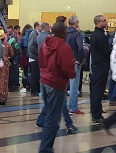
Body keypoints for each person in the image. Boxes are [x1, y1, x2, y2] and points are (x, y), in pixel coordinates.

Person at [38, 22, 76, 153]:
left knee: (49, 115)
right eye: (65, 31)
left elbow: (41, 61)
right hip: (56, 83)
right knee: (53, 120)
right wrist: (72, 73)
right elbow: (68, 68)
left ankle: (45, 147)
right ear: (62, 33)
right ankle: (45, 149)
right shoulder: (63, 47)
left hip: (44, 80)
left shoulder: (45, 43)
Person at [89, 15, 111, 124]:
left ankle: (96, 112)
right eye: (104, 21)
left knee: (97, 90)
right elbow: (106, 51)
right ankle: (96, 115)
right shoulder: (100, 36)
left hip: (97, 65)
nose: (106, 22)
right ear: (98, 23)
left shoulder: (95, 34)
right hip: (101, 66)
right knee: (97, 91)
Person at [66, 15, 85, 115]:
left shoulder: (64, 33)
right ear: (76, 23)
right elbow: (81, 48)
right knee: (74, 86)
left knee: (63, 85)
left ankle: (63, 108)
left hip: (65, 61)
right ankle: (73, 107)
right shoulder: (77, 34)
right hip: (74, 61)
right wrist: (80, 60)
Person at [28, 21, 42, 97]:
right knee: (35, 75)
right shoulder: (33, 34)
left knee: (37, 75)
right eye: (41, 25)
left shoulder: (38, 34)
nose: (42, 27)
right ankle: (34, 91)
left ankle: (37, 89)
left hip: (36, 58)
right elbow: (31, 46)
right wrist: (39, 52)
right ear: (37, 26)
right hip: (34, 58)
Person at [19, 24, 33, 93]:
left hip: (24, 56)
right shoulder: (32, 36)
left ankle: (24, 86)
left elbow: (19, 46)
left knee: (25, 72)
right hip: (32, 56)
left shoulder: (22, 37)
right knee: (31, 71)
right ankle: (31, 85)